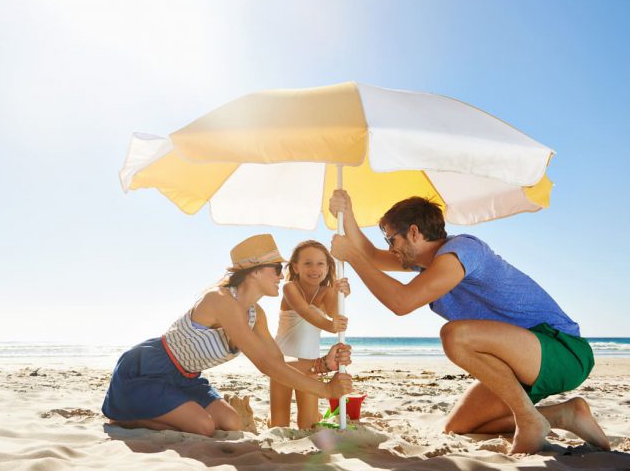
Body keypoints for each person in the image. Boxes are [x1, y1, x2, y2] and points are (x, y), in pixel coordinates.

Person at [328, 190, 609, 454]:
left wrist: (351, 257)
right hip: (518, 363)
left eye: (391, 240)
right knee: (459, 427)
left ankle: (528, 419)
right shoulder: (429, 264)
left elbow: (402, 302)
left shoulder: (461, 251)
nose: (390, 249)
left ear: (413, 232)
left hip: (562, 352)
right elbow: (372, 258)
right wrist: (347, 214)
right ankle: (564, 414)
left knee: (456, 336)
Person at [102, 234, 353, 436]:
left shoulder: (256, 314)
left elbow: (277, 362)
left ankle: (168, 409)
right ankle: (127, 416)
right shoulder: (220, 300)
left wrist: (323, 364)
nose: (280, 275)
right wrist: (326, 391)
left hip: (187, 378)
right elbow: (265, 365)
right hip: (149, 369)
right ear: (254, 271)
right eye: (276, 268)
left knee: (231, 423)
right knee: (204, 426)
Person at [269, 240, 350, 429]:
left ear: (328, 267)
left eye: (320, 263)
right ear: (295, 267)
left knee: (308, 424)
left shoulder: (327, 292)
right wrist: (330, 326)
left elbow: (335, 313)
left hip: (310, 364)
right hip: (283, 361)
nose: (314, 269)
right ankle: (271, 419)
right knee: (279, 424)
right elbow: (305, 311)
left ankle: (315, 414)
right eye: (307, 263)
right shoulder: (290, 288)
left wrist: (340, 294)